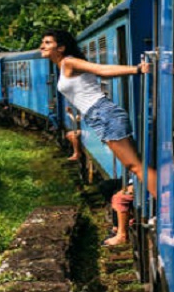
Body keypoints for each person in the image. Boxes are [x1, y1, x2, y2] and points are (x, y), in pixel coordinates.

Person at [39, 29, 157, 198]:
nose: (42, 46)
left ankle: (167, 209)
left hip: (104, 114)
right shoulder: (63, 66)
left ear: (61, 48)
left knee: (135, 166)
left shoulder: (69, 62)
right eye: (43, 42)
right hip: (100, 116)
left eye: (48, 42)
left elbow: (101, 70)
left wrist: (137, 69)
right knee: (136, 165)